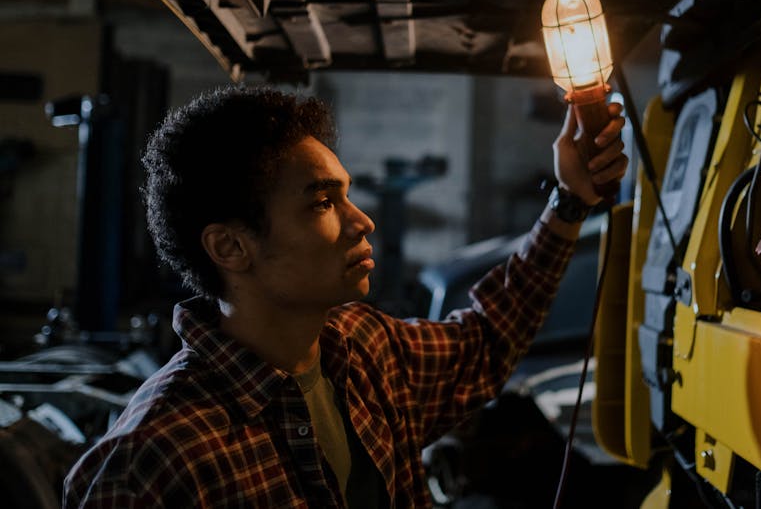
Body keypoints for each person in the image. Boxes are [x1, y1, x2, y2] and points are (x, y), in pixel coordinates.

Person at [62, 83, 628, 508]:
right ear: (231, 247)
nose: (363, 222)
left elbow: (485, 340)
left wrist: (570, 201)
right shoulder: (151, 462)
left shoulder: (362, 347)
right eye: (322, 202)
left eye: (347, 195)